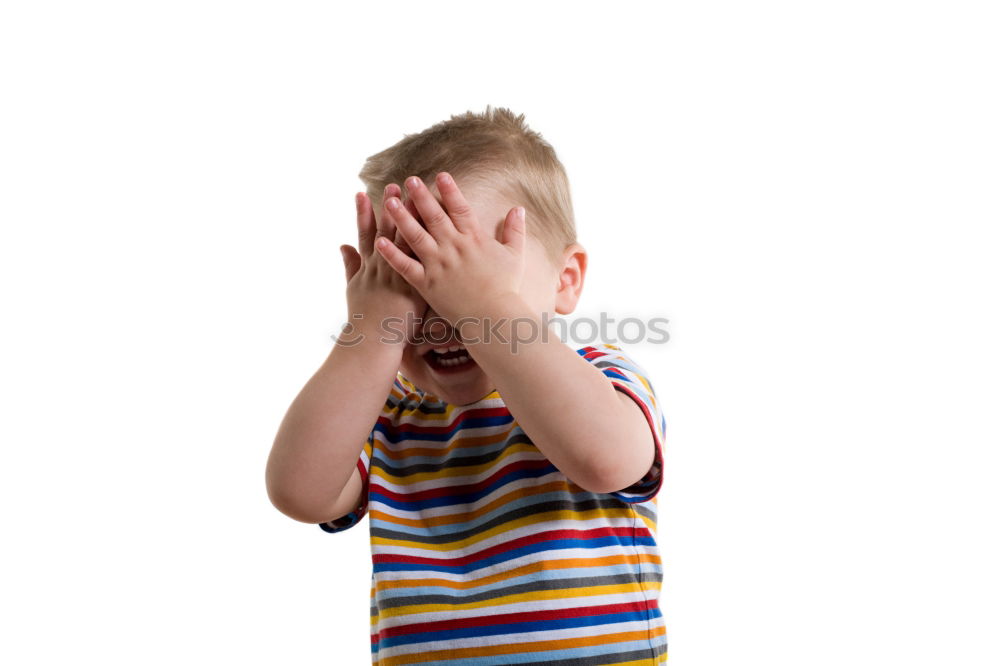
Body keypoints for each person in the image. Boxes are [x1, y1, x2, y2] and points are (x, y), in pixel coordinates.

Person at [266, 106, 668, 664]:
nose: (441, 316)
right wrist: (372, 331)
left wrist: (488, 309)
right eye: (412, 285)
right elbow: (299, 493)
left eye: (471, 277)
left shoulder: (603, 378)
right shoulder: (384, 416)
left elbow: (608, 461)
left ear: (566, 279)